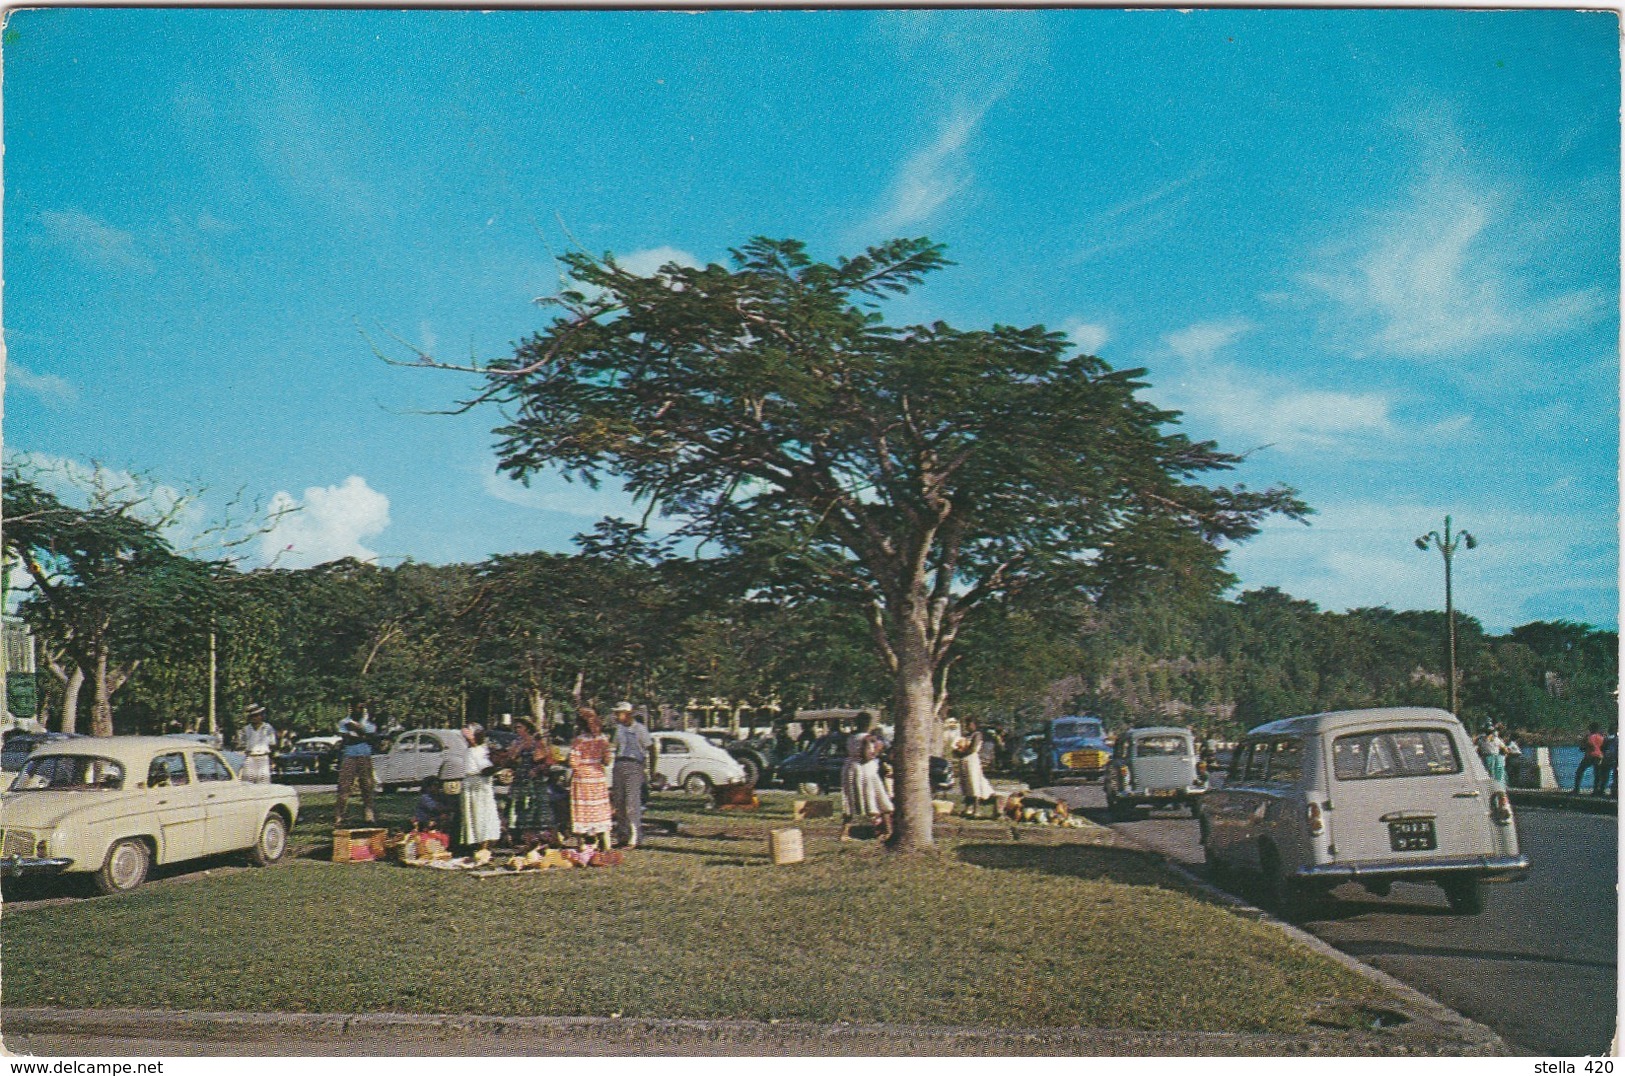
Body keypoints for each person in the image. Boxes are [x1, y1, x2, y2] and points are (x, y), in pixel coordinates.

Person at [609, 702, 656, 848]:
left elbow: (651, 748)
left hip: (634, 764)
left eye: (619, 713)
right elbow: (614, 747)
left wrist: (651, 771)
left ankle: (635, 837)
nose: (617, 716)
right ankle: (623, 835)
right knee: (619, 802)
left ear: (628, 714)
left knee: (632, 802)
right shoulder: (619, 730)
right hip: (619, 764)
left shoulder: (640, 729)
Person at [840, 714, 893, 841]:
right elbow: (867, 755)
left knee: (850, 800)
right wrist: (877, 751)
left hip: (850, 767)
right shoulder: (869, 738)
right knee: (880, 797)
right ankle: (888, 831)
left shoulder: (851, 737)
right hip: (865, 769)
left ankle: (844, 832)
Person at [504, 718, 557, 840]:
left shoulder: (537, 741)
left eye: (519, 727)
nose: (517, 730)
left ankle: (535, 835)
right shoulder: (516, 742)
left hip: (534, 779)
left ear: (527, 728)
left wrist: (537, 769)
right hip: (520, 777)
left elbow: (549, 760)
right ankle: (518, 834)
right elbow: (510, 758)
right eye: (516, 727)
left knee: (533, 806)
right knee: (517, 805)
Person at [569, 708, 614, 851]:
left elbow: (573, 761)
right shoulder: (604, 739)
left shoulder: (579, 740)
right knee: (600, 808)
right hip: (598, 777)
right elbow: (607, 761)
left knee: (582, 809)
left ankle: (582, 844)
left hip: (582, 778)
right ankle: (606, 843)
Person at [334, 702, 378, 827]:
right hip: (349, 755)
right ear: (352, 708)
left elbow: (373, 738)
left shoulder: (369, 724)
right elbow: (347, 739)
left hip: (365, 755)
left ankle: (369, 815)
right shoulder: (344, 722)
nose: (360, 710)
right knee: (344, 786)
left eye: (362, 708)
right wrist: (364, 736)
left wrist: (358, 731)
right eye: (357, 707)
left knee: (367, 786)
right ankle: (339, 816)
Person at [460, 724, 502, 852]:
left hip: (479, 786)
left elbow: (486, 770)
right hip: (471, 784)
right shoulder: (470, 750)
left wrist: (499, 766)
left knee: (481, 814)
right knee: (473, 814)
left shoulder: (480, 750)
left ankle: (483, 844)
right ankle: (477, 843)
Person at [956, 718, 997, 815]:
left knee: (974, 783)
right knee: (966, 783)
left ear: (974, 725)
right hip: (964, 760)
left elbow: (973, 748)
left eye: (969, 724)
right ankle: (968, 807)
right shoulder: (966, 735)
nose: (967, 726)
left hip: (972, 760)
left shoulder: (977, 734)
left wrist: (963, 752)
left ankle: (976, 808)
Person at [236, 703, 277, 784]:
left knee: (263, 782)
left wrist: (272, 759)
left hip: (263, 757)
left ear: (261, 716)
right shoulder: (245, 729)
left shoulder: (268, 728)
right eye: (252, 716)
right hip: (250, 758)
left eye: (257, 715)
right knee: (248, 782)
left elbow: (273, 744)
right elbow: (240, 745)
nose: (255, 718)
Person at [1573, 722, 1605, 794]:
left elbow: (1585, 746)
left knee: (1579, 771)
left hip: (1590, 756)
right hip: (1599, 756)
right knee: (1597, 774)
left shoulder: (1590, 737)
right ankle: (1596, 790)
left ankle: (1576, 789)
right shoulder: (1601, 737)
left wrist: (1583, 745)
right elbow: (1604, 747)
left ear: (1591, 729)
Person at [1596, 725, 1618, 798]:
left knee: (1605, 776)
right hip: (1615, 758)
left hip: (1607, 758)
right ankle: (1614, 791)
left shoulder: (1606, 739)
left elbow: (1602, 748)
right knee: (1615, 776)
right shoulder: (1616, 738)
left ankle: (1601, 790)